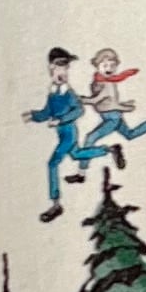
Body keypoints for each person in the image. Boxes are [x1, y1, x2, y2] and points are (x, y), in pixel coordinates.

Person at [28, 46, 100, 221]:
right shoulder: (53, 92)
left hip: (68, 132)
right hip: (61, 132)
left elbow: (79, 110)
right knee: (77, 154)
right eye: (60, 67)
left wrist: (60, 120)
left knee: (53, 163)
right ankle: (109, 150)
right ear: (51, 68)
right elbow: (47, 113)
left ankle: (56, 204)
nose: (63, 71)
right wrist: (32, 116)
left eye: (65, 67)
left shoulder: (68, 92)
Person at [79, 47, 146, 166]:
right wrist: (125, 105)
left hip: (112, 118)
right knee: (130, 134)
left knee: (90, 138)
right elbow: (108, 101)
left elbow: (97, 100)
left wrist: (126, 108)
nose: (109, 69)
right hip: (112, 115)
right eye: (105, 66)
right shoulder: (98, 81)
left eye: (112, 66)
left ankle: (83, 171)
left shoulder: (108, 84)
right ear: (97, 65)